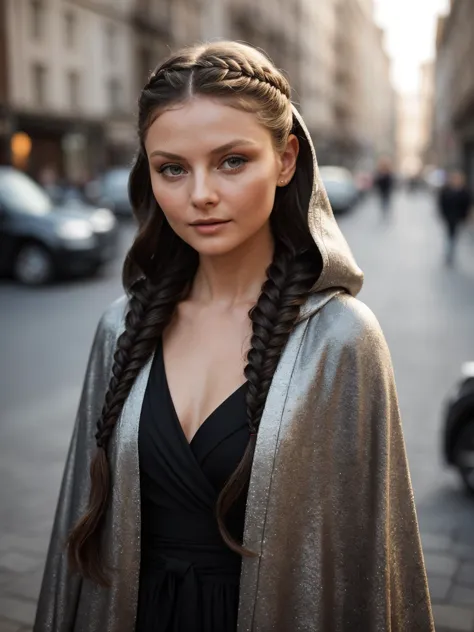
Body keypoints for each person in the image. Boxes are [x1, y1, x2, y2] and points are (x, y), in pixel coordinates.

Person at [34, 41, 434, 632]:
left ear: (287, 159)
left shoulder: (342, 341)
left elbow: (371, 567)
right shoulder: (121, 327)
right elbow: (79, 526)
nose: (200, 194)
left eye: (231, 161)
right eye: (173, 168)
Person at [438, 169, 472, 266]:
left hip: (459, 218)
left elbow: (468, 205)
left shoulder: (465, 192)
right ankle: (449, 253)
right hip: (449, 217)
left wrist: (465, 216)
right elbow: (441, 203)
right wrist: (443, 214)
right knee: (450, 235)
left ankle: (451, 252)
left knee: (455, 235)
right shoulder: (446, 191)